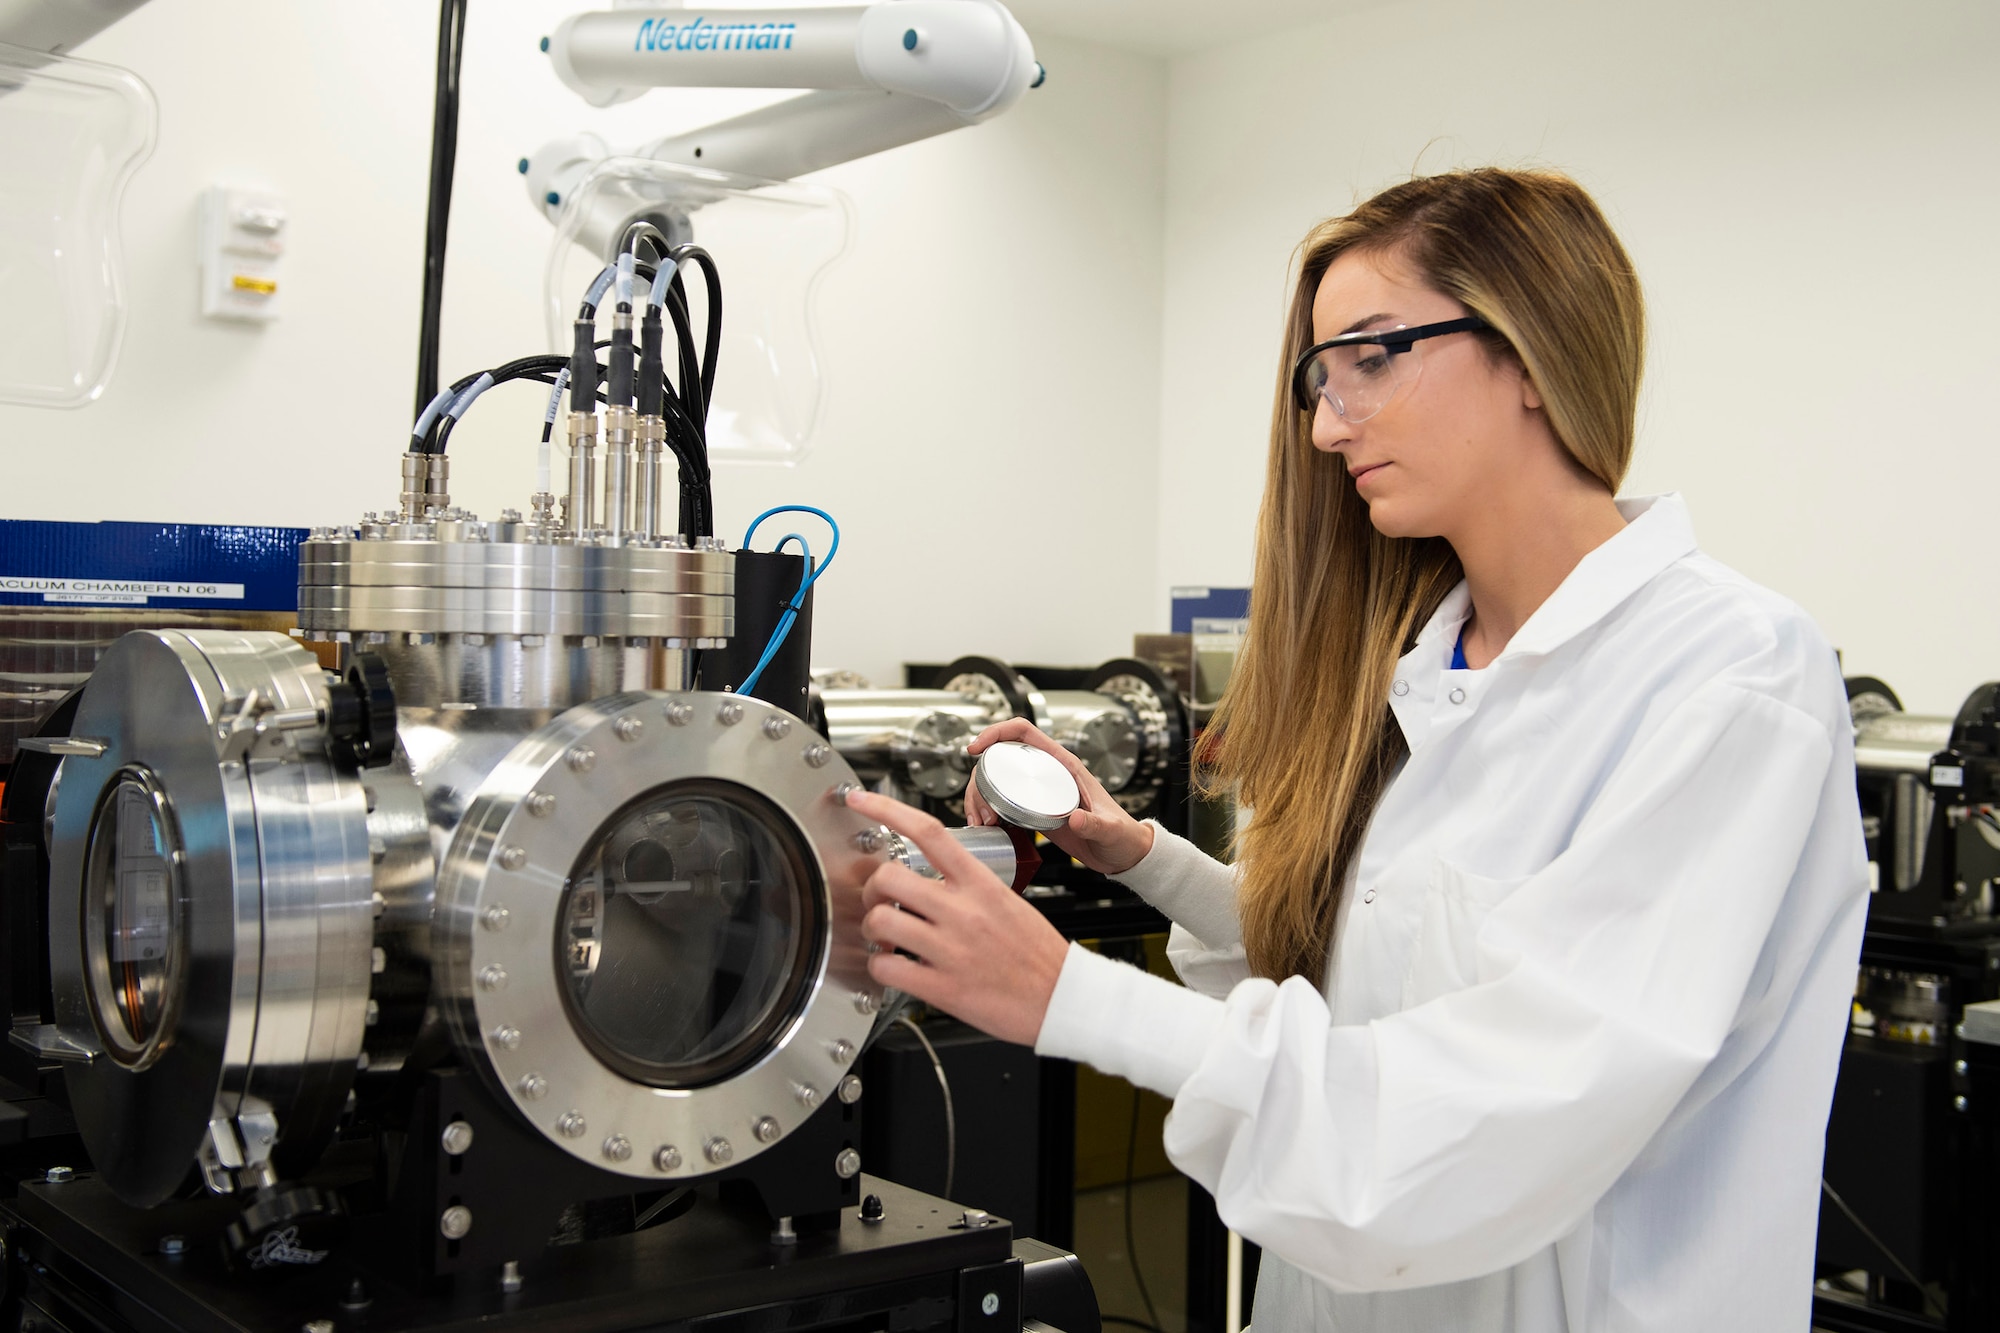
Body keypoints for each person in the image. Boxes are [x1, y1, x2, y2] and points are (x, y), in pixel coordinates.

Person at [843, 167, 1868, 1331]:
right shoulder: (1434, 664)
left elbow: (1485, 1112)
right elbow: (1373, 970)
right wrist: (1143, 858)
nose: (1329, 424)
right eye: (1319, 380)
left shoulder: (1728, 673)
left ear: (1526, 351)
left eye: (1371, 357)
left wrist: (1066, 994)